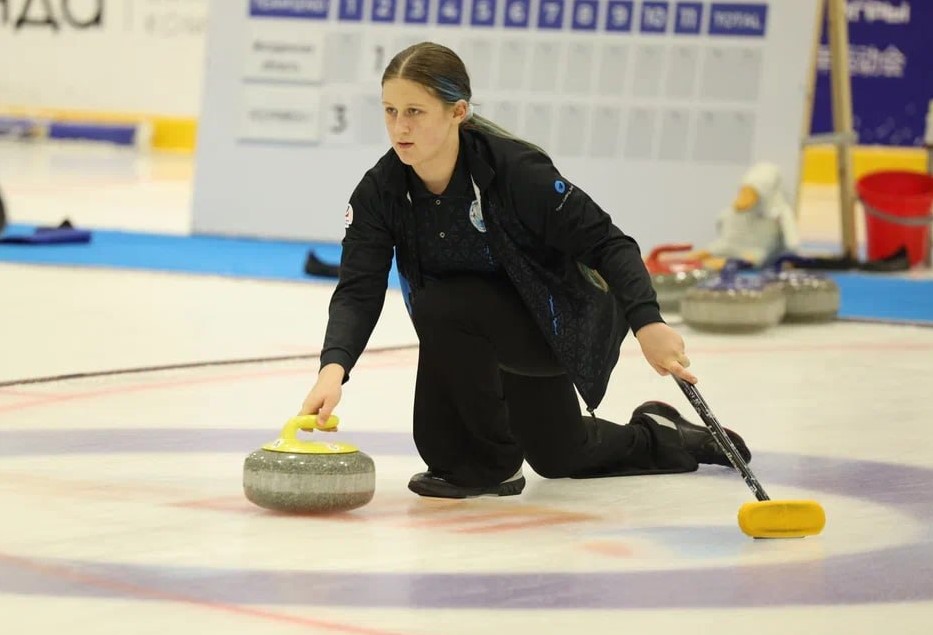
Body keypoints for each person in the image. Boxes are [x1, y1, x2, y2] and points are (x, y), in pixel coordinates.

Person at [299, 42, 751, 499]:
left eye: (415, 111)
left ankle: (490, 465)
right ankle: (663, 434)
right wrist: (333, 368)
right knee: (560, 456)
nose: (400, 126)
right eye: (390, 111)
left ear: (458, 112)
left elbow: (608, 243)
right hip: (470, 334)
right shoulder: (381, 191)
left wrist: (648, 322)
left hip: (550, 324)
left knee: (445, 304)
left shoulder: (515, 171)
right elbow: (358, 289)